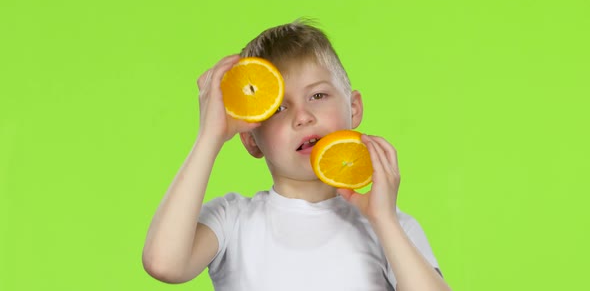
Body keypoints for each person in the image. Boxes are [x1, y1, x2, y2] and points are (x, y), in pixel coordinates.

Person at [142, 19, 451, 291]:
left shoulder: (393, 227)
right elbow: (164, 264)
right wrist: (209, 137)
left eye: (317, 95)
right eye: (279, 108)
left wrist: (384, 220)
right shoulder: (232, 220)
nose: (302, 117)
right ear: (251, 140)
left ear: (353, 108)